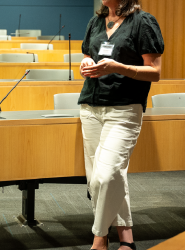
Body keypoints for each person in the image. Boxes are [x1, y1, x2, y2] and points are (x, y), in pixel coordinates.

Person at [79, 0, 164, 249]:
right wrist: (85, 63)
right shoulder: (95, 22)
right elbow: (87, 54)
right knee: (107, 176)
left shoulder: (143, 22)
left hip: (124, 108)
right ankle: (126, 238)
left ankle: (99, 237)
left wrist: (120, 68)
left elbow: (155, 72)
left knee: (105, 178)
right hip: (91, 106)